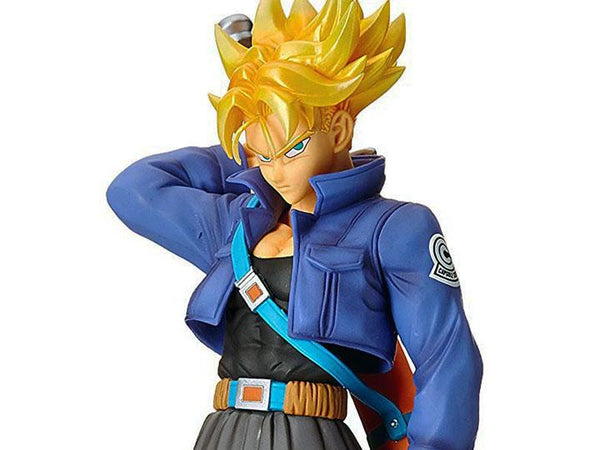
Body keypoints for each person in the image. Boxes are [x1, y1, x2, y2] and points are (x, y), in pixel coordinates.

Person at [107, 1, 483, 448]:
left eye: (294, 149)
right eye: (264, 156)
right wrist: (251, 123)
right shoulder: (237, 221)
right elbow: (134, 189)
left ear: (339, 130)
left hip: (312, 432)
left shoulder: (394, 228)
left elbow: (447, 357)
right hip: (223, 431)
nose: (277, 171)